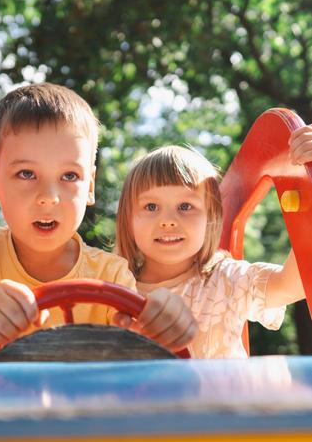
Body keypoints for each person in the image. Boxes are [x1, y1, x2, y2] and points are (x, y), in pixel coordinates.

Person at [0, 83, 196, 363]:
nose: (48, 197)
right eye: (27, 174)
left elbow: (136, 370)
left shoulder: (112, 274)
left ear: (89, 186)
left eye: (69, 176)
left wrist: (161, 328)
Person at [114, 130, 311, 359]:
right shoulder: (115, 289)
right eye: (151, 207)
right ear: (128, 219)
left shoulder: (226, 280)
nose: (167, 221)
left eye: (185, 206)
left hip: (224, 396)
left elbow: (290, 286)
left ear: (211, 218)